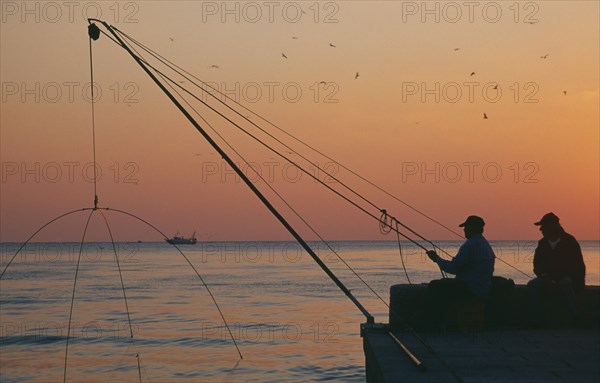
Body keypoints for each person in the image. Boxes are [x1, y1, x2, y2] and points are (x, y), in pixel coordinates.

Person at [423, 215, 496, 330]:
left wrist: (436, 259)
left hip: (471, 288)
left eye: (466, 227)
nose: (464, 229)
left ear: (472, 228)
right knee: (444, 283)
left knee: (435, 285)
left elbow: (453, 269)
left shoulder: (470, 245)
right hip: (483, 287)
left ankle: (431, 324)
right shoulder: (485, 244)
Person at [527, 212, 585, 324]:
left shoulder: (569, 241)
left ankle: (576, 316)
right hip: (548, 278)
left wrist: (555, 280)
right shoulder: (542, 243)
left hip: (569, 278)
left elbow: (575, 266)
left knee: (565, 284)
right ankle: (534, 318)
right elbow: (537, 264)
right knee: (533, 285)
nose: (541, 230)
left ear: (552, 227)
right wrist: (545, 277)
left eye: (543, 227)